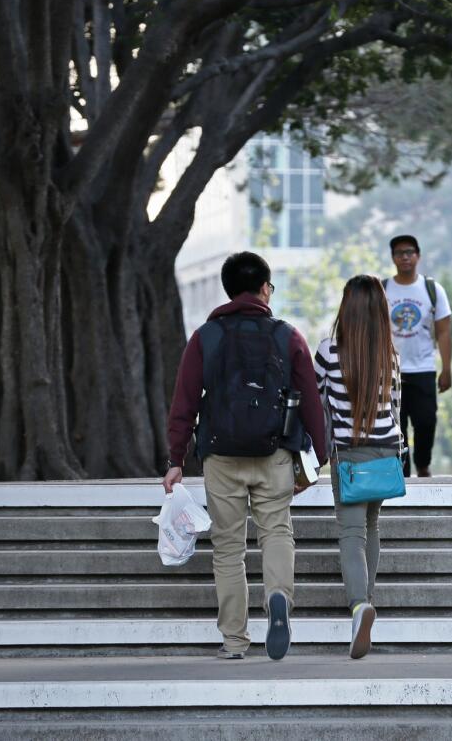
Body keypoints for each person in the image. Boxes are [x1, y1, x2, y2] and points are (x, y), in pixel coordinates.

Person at [163, 252, 326, 661]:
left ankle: (235, 640)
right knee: (276, 531)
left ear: (228, 288)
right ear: (265, 287)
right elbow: (310, 401)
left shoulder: (205, 337)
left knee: (228, 547)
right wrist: (317, 457)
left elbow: (184, 401)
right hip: (274, 453)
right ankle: (277, 598)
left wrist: (176, 458)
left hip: (221, 455)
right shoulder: (287, 335)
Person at [314, 275, 404, 660]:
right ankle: (366, 602)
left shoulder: (329, 351)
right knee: (371, 527)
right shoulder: (390, 354)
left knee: (351, 532)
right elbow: (397, 406)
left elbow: (317, 401)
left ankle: (357, 607)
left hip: (350, 454)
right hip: (386, 451)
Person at [384, 235, 451, 478]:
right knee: (395, 425)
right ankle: (401, 473)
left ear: (418, 256)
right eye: (400, 253)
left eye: (410, 252)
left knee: (425, 422)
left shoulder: (432, 289)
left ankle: (423, 465)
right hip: (390, 371)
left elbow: (443, 331)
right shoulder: (383, 289)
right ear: (393, 257)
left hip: (423, 368)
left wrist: (446, 368)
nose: (405, 257)